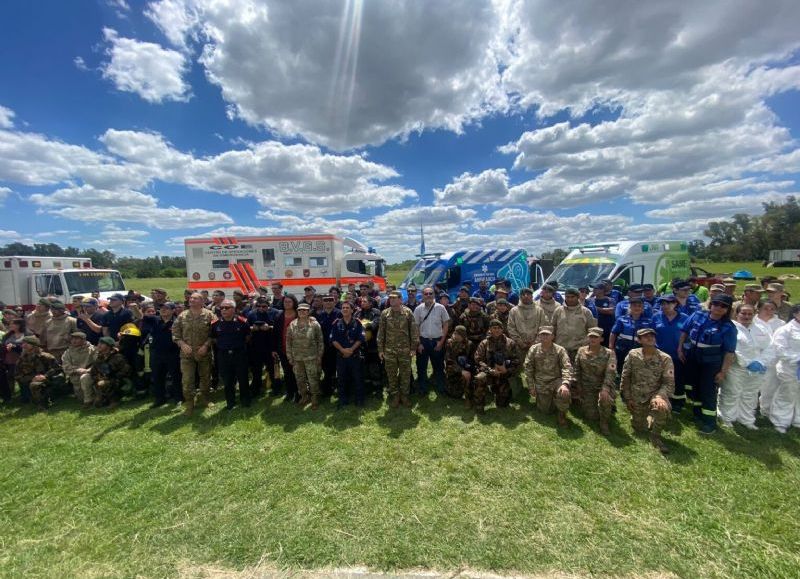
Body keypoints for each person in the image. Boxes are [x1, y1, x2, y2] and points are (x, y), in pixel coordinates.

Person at [679, 294, 737, 434]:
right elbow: (685, 332)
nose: (718, 307)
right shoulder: (698, 315)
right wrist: (680, 348)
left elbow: (729, 352)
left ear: (727, 309)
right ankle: (698, 414)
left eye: (723, 306)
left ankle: (710, 422)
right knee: (694, 387)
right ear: (711, 304)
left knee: (708, 391)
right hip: (693, 356)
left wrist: (723, 371)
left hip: (711, 362)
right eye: (716, 303)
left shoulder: (728, 327)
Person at [718, 304, 774, 429]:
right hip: (736, 367)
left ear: (754, 314)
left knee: (751, 394)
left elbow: (770, 347)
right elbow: (732, 349)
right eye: (743, 313)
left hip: (758, 368)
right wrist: (747, 362)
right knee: (732, 392)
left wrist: (761, 362)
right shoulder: (731, 328)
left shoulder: (762, 329)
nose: (746, 316)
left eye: (750, 314)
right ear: (737, 314)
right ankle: (727, 417)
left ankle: (746, 419)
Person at [620, 328, 674, 454]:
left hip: (655, 396)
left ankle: (656, 437)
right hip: (637, 397)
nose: (650, 338)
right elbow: (625, 377)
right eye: (645, 336)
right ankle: (648, 417)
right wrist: (627, 398)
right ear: (639, 340)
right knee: (639, 428)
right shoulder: (633, 355)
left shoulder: (665, 358)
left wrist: (660, 396)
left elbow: (669, 383)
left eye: (652, 336)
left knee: (661, 407)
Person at [172, 292, 216, 416]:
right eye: (191, 298)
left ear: (202, 301)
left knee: (206, 377)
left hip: (204, 352)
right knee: (187, 380)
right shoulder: (182, 315)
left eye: (195, 298)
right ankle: (189, 403)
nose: (192, 300)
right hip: (187, 354)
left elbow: (215, 333)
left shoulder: (210, 315)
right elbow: (175, 333)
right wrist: (182, 344)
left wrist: (206, 345)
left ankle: (205, 398)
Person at [524, 326, 573, 427]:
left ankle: (562, 416)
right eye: (542, 334)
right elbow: (528, 368)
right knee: (545, 411)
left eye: (547, 334)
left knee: (564, 393)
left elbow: (567, 367)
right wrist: (531, 387)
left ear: (553, 336)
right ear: (539, 336)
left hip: (556, 381)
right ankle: (553, 401)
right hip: (541, 382)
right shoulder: (534, 349)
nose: (545, 336)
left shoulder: (560, 350)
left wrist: (565, 383)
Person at [377, 292, 419, 408]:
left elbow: (414, 331)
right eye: (390, 298)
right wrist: (380, 350)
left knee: (406, 374)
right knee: (391, 374)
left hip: (405, 351)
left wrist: (413, 348)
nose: (392, 300)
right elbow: (381, 333)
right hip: (389, 350)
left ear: (400, 299)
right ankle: (395, 395)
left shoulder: (407, 313)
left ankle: (405, 395)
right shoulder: (385, 314)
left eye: (394, 298)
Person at [573, 327, 617, 434]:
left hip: (602, 386)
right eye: (591, 337)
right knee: (590, 416)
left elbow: (610, 373)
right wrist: (578, 385)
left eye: (596, 337)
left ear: (601, 339)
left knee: (605, 399)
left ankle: (604, 422)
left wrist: (605, 389)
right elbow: (576, 369)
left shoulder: (609, 353)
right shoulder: (581, 351)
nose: (593, 339)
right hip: (586, 386)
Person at [472, 319, 520, 413]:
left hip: (504, 374)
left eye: (499, 328)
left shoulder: (510, 343)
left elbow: (516, 360)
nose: (497, 330)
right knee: (479, 378)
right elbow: (478, 359)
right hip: (488, 372)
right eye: (494, 328)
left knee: (502, 404)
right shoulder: (484, 343)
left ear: (502, 329)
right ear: (490, 329)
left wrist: (507, 370)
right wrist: (490, 370)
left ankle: (499, 393)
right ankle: (479, 405)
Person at [211, 299, 251, 410]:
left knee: (243, 378)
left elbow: (247, 337)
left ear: (233, 309)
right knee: (227, 380)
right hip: (223, 355)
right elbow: (214, 339)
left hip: (239, 354)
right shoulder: (215, 324)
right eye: (222, 308)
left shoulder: (242, 322)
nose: (223, 310)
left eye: (227, 308)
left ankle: (245, 400)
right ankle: (230, 402)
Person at [652, 294, 689, 412]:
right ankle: (659, 399)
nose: (665, 306)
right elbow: (651, 334)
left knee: (677, 378)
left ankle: (678, 402)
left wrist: (683, 350)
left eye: (668, 303)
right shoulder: (656, 317)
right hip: (659, 354)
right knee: (659, 377)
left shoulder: (684, 318)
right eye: (662, 303)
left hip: (677, 355)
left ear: (675, 304)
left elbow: (689, 336)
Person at [142, 302, 182, 408]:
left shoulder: (177, 322)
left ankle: (179, 398)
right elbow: (141, 316)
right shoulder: (155, 320)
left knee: (176, 376)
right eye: (162, 308)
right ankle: (160, 399)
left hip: (173, 354)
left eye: (166, 308)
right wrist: (135, 308)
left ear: (173, 310)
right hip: (157, 354)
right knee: (157, 377)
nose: (163, 310)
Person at [413, 286, 450, 396]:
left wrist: (441, 342)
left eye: (430, 293)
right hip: (423, 342)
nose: (428, 295)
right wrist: (418, 343)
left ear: (434, 295)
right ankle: (422, 388)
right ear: (423, 296)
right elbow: (415, 327)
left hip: (437, 341)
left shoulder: (441, 308)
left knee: (439, 367)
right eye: (426, 294)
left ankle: (441, 387)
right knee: (421, 367)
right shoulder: (418, 309)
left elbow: (446, 325)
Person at [286, 303, 325, 409]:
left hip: (311, 357)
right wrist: (290, 357)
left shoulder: (314, 324)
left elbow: (320, 341)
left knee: (313, 379)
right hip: (297, 358)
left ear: (308, 312)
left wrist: (319, 356)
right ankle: (304, 396)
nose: (302, 312)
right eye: (300, 310)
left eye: (304, 310)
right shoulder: (292, 324)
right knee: (300, 380)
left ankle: (314, 399)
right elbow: (288, 341)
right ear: (297, 312)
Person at [769, 304, 800, 433]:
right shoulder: (786, 329)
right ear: (795, 313)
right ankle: (780, 421)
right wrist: (797, 358)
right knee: (787, 393)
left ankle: (797, 419)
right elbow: (779, 349)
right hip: (790, 368)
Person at [330, 301, 365, 407]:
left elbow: (360, 338)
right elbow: (333, 339)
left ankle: (359, 400)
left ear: (352, 310)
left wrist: (350, 350)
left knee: (357, 378)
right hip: (341, 356)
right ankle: (343, 400)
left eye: (347, 308)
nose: (345, 309)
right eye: (343, 308)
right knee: (341, 379)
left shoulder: (358, 323)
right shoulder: (336, 323)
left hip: (354, 355)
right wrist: (343, 350)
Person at [552, 288, 597, 363]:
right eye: (567, 297)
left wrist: (587, 344)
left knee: (577, 372)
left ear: (578, 297)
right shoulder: (558, 310)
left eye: (572, 297)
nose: (570, 299)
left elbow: (592, 330)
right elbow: (553, 327)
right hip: (561, 348)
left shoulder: (586, 312)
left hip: (579, 349)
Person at [609, 298, 654, 371]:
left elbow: (651, 337)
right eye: (634, 306)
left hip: (640, 350)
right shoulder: (621, 319)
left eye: (639, 306)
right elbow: (613, 333)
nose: (637, 308)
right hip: (622, 349)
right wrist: (611, 347)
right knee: (621, 369)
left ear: (642, 309)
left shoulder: (648, 322)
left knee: (638, 370)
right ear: (630, 307)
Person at [756, 300, 784, 418]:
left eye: (772, 309)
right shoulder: (753, 322)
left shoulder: (781, 324)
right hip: (755, 359)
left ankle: (766, 412)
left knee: (770, 387)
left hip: (773, 361)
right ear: (759, 309)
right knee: (751, 387)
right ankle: (750, 409)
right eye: (766, 308)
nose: (769, 311)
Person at [247, 297, 279, 397]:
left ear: (268, 306)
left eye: (264, 306)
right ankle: (256, 389)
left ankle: (276, 388)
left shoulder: (275, 313)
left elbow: (279, 328)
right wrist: (253, 328)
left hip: (270, 346)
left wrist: (269, 327)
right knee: (256, 370)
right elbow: (246, 328)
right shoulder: (251, 314)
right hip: (256, 346)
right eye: (258, 306)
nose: (261, 308)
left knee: (273, 369)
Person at [16, 336, 59, 410]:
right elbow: (17, 375)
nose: (23, 346)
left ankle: (42, 404)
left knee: (36, 385)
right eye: (23, 343)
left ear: (34, 345)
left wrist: (45, 376)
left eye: (26, 343)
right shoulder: (22, 359)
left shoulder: (45, 356)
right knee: (32, 388)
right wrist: (31, 378)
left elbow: (57, 368)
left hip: (47, 380)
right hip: (29, 382)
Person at [90, 336, 130, 409]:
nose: (99, 345)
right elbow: (93, 372)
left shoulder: (117, 357)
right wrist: (98, 378)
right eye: (99, 343)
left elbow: (126, 370)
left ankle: (115, 400)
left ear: (109, 346)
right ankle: (104, 398)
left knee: (106, 384)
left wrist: (109, 380)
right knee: (97, 404)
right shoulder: (99, 358)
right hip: (103, 381)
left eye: (102, 343)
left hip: (119, 381)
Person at [273, 294, 300, 402]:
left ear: (294, 303)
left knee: (297, 372)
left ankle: (298, 393)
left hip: (297, 349)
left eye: (289, 302)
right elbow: (274, 333)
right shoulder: (279, 315)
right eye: (285, 302)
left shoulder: (299, 314)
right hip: (283, 349)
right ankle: (289, 392)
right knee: (287, 372)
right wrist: (274, 349)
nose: (287, 304)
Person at [315, 295, 342, 397]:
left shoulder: (340, 313)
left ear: (334, 302)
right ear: (322, 302)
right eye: (326, 301)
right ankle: (328, 390)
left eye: (330, 300)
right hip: (325, 347)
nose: (328, 302)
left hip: (338, 347)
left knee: (340, 369)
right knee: (327, 369)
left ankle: (340, 389)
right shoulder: (319, 315)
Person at [355, 295, 382, 396]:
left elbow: (374, 325)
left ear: (370, 303)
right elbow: (354, 324)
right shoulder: (358, 313)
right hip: (361, 345)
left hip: (373, 344)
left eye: (365, 301)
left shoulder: (376, 312)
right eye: (361, 302)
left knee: (374, 367)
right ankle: (367, 387)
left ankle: (377, 388)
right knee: (364, 367)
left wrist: (362, 324)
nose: (362, 303)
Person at [507, 288, 546, 358]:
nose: (525, 296)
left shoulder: (539, 311)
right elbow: (511, 328)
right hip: (519, 347)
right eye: (523, 294)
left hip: (536, 346)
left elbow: (543, 328)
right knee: (520, 368)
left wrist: (535, 342)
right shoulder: (514, 311)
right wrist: (520, 342)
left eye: (528, 294)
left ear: (532, 296)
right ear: (520, 296)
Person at [61, 331, 96, 407]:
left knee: (85, 378)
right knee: (80, 398)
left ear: (83, 340)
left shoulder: (92, 349)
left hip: (90, 375)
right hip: (75, 378)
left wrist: (88, 370)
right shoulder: (68, 352)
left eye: (77, 338)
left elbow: (98, 363)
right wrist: (77, 370)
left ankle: (88, 401)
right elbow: (65, 366)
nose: (74, 340)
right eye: (72, 338)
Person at [1, 319, 26, 403]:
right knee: (9, 376)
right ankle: (10, 395)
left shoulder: (26, 334)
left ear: (19, 325)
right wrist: (6, 348)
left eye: (13, 324)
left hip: (21, 358)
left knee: (19, 376)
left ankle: (23, 395)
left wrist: (15, 346)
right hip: (8, 359)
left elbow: (26, 347)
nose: (10, 326)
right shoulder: (7, 335)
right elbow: (3, 346)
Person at [444, 325, 472, 401]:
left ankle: (467, 391)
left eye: (459, 334)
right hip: (453, 370)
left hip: (465, 370)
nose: (456, 336)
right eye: (455, 333)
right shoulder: (449, 343)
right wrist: (461, 371)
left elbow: (471, 360)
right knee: (454, 395)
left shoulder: (469, 344)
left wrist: (467, 370)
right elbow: (448, 361)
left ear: (464, 335)